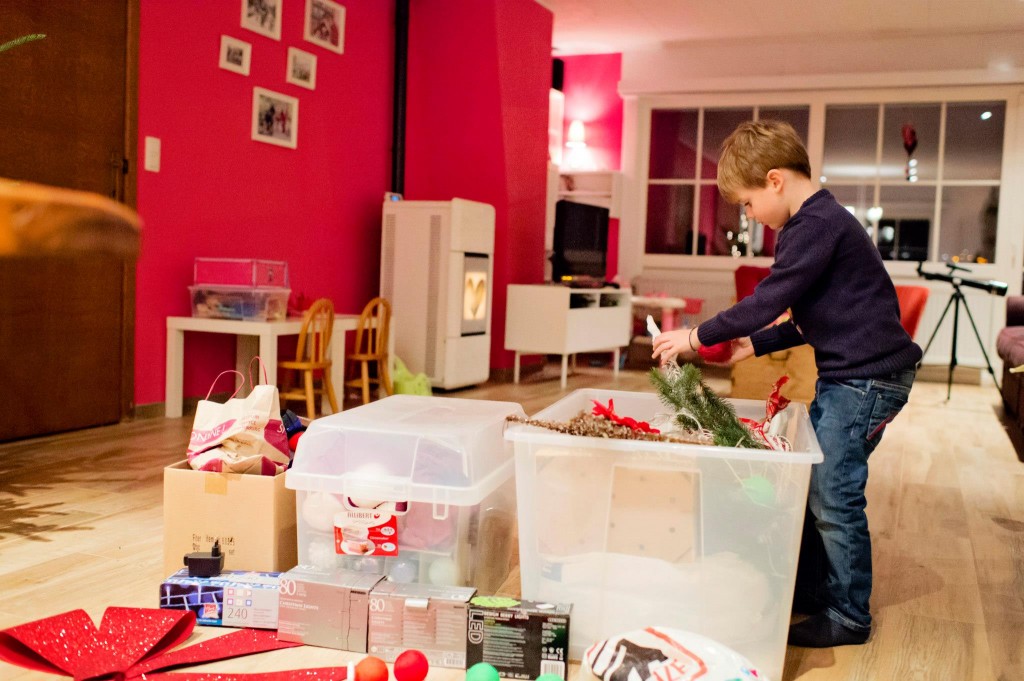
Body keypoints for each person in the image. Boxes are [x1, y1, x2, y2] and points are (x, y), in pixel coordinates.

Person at [652, 120, 921, 648]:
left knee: (834, 491)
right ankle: (822, 587)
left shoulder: (813, 225)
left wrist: (696, 335)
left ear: (774, 180)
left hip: (868, 379)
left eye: (748, 204)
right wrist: (760, 344)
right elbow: (817, 314)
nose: (749, 216)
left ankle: (848, 613)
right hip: (855, 375)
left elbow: (771, 297)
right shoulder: (821, 222)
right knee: (821, 479)